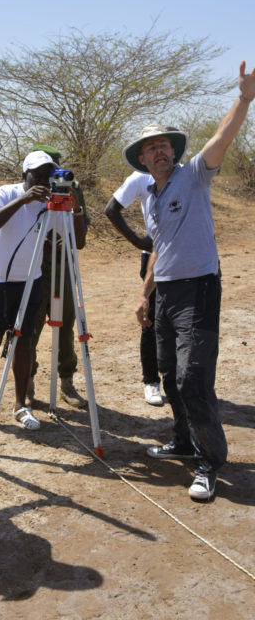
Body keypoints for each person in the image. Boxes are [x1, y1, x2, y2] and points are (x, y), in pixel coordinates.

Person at [132, 60, 255, 502]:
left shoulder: (195, 175)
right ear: (143, 160)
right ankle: (184, 441)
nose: (160, 151)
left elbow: (223, 138)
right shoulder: (149, 197)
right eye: (152, 148)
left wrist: (243, 98)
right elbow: (158, 249)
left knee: (193, 379)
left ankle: (209, 462)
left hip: (199, 289)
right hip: (165, 292)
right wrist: (145, 294)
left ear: (174, 152)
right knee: (168, 372)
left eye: (165, 145)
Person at [0, 150, 57, 435]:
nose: (43, 181)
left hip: (30, 281)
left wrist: (72, 207)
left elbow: (75, 241)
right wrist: (24, 199)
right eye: (37, 175)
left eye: (48, 176)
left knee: (23, 343)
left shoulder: (53, 203)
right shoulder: (7, 193)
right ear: (24, 176)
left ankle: (21, 406)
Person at [28, 144, 89, 408]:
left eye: (55, 169)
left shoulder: (71, 187)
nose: (52, 177)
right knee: (30, 324)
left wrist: (73, 203)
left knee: (64, 321)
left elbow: (80, 238)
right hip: (32, 265)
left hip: (62, 264)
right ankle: (26, 380)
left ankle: (66, 381)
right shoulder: (28, 192)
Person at [105, 171, 163, 406]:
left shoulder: (184, 172)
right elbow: (111, 209)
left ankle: (181, 384)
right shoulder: (140, 178)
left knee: (182, 325)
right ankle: (151, 382)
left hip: (184, 259)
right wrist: (138, 240)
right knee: (151, 321)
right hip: (154, 257)